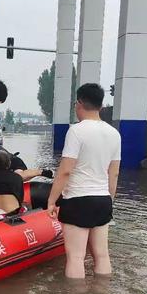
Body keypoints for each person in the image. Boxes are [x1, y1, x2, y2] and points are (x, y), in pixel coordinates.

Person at [47, 83, 121, 279]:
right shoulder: (114, 134)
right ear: (101, 106)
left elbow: (65, 171)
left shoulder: (76, 131)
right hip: (103, 199)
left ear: (78, 103)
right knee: (102, 255)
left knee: (76, 257)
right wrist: (109, 201)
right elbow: (113, 174)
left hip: (78, 199)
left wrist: (52, 201)